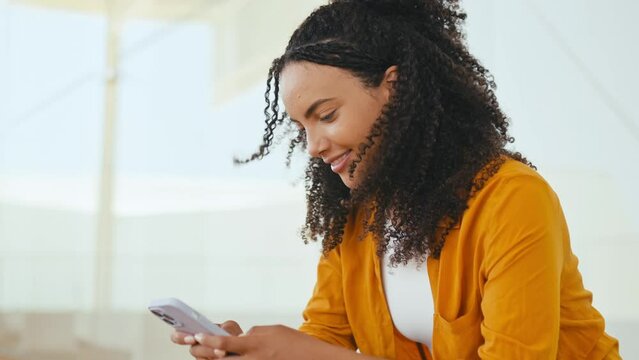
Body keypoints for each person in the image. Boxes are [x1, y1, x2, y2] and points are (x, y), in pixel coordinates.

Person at [171, 0, 621, 358]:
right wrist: (252, 352)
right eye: (302, 128)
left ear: (395, 87)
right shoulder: (356, 219)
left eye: (326, 115)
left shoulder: (511, 199)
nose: (313, 145)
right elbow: (324, 336)